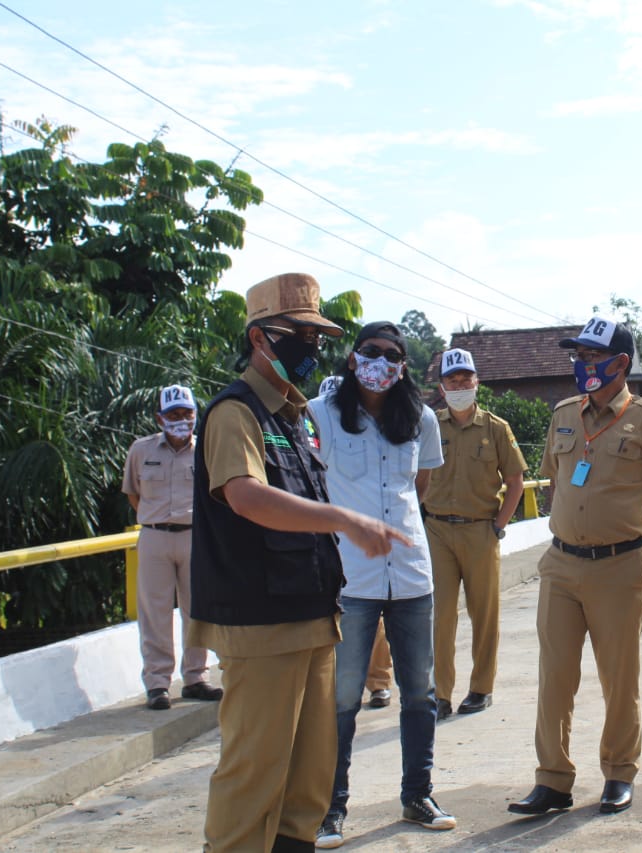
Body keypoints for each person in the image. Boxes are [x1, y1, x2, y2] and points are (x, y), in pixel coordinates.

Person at [187, 272, 409, 853]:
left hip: (311, 613)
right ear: (261, 338)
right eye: (299, 335)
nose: (312, 347)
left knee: (311, 773)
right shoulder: (234, 413)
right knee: (255, 770)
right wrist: (345, 520)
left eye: (317, 336)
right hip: (259, 620)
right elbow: (245, 495)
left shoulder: (296, 417)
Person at [508, 316, 642, 818]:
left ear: (620, 363)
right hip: (561, 565)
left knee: (618, 678)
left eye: (591, 356)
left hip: (620, 566)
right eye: (579, 357)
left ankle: (619, 773)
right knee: (555, 676)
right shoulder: (563, 414)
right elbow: (557, 480)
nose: (582, 365)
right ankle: (553, 780)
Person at [308, 321, 454, 848]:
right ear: (352, 359)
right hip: (351, 577)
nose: (381, 362)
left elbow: (421, 485)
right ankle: (330, 808)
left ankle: (419, 794)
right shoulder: (319, 414)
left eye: (393, 355)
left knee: (420, 692)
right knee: (342, 698)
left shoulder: (420, 418)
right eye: (371, 352)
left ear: (403, 366)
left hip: (412, 575)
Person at [424, 347, 527, 719]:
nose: (460, 384)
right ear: (442, 386)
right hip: (437, 530)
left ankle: (481, 688)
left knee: (485, 614)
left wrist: (499, 525)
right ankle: (440, 695)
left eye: (466, 378)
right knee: (441, 616)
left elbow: (515, 481)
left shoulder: (496, 428)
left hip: (481, 531)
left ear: (477, 382)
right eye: (453, 379)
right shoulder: (429, 425)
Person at [121, 384, 221, 711]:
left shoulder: (206, 449)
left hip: (195, 536)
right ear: (159, 418)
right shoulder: (141, 450)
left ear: (196, 415)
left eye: (187, 414)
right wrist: (155, 518)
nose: (181, 421)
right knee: (155, 613)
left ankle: (195, 678)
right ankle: (157, 684)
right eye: (173, 415)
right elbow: (133, 493)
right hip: (154, 537)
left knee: (197, 610)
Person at [320, 374, 394, 710]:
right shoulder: (309, 438)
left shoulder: (368, 437)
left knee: (368, 614)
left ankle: (378, 682)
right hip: (319, 540)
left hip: (357, 542)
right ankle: (330, 686)